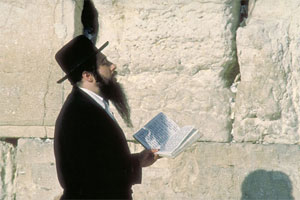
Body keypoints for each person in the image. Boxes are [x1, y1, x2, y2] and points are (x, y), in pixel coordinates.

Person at [54, 35, 159, 199]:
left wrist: (139, 160)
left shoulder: (91, 104)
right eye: (104, 63)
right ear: (88, 76)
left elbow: (100, 163)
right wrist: (136, 164)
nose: (113, 66)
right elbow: (92, 179)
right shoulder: (79, 114)